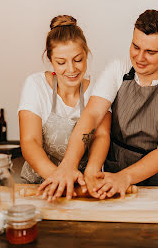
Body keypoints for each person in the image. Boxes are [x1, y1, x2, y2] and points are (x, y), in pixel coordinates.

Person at [38, 9, 158, 200]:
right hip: (113, 173)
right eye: (136, 47)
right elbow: (92, 116)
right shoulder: (117, 70)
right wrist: (69, 164)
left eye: (150, 52)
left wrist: (125, 177)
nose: (140, 57)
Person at [18, 15, 111, 200]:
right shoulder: (35, 85)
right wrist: (58, 178)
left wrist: (91, 174)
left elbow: (101, 135)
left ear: (87, 54)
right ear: (50, 59)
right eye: (61, 62)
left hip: (83, 189)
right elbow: (30, 142)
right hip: (39, 187)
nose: (71, 69)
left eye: (78, 59)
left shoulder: (98, 88)